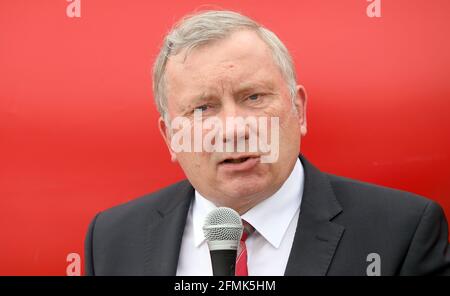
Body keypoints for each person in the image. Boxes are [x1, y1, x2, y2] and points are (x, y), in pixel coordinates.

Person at [84, 10, 450, 276]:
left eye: (254, 97)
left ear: (299, 110)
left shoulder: (402, 233)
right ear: (170, 138)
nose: (233, 129)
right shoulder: (112, 240)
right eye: (202, 108)